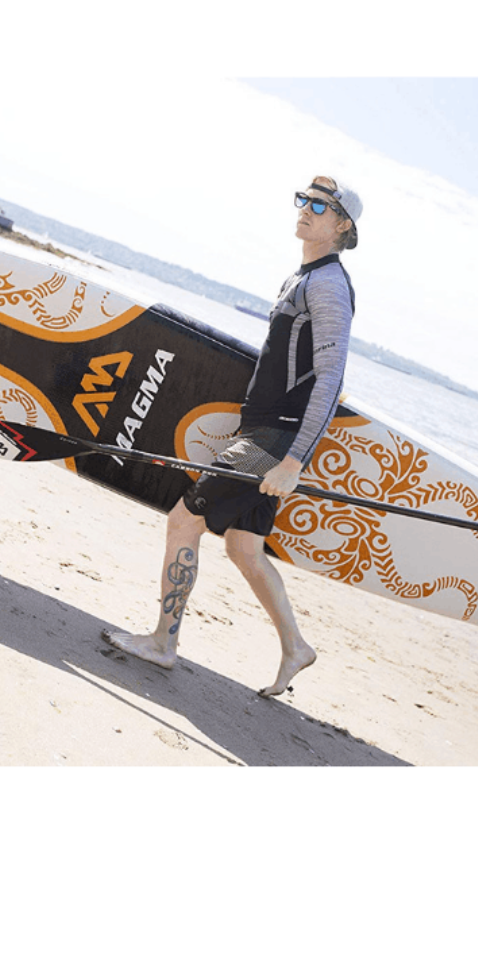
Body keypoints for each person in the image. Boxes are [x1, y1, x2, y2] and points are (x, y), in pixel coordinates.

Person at [103, 176, 362, 696]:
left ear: (341, 225)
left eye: (320, 206)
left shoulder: (329, 285)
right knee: (244, 548)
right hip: (264, 432)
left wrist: (293, 461)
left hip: (274, 441)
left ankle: (162, 643)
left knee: (183, 522)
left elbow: (331, 380)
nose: (306, 209)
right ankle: (296, 647)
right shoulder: (303, 276)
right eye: (304, 200)